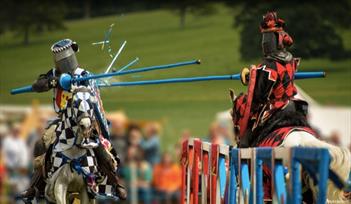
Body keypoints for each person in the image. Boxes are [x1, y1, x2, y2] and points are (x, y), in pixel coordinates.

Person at [19, 39, 126, 200]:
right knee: (41, 143)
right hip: (63, 120)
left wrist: (77, 85)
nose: (65, 62)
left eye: (67, 58)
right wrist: (52, 82)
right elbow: (37, 85)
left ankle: (115, 183)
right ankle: (36, 187)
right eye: (61, 59)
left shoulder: (83, 75)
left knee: (100, 147)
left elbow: (89, 94)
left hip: (83, 118)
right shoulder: (53, 74)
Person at [234, 11, 307, 147]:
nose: (265, 42)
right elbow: (279, 79)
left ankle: (243, 152)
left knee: (247, 136)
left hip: (276, 107)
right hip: (293, 105)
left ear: (275, 39)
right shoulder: (291, 60)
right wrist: (253, 75)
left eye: (267, 38)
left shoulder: (269, 65)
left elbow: (258, 96)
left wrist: (251, 81)